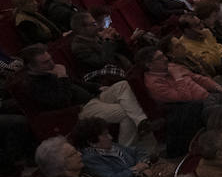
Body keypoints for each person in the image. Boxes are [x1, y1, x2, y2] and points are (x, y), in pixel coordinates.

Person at [9, 44, 146, 146]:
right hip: (79, 109)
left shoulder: (49, 71)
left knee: (122, 85)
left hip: (93, 98)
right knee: (126, 112)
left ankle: (142, 122)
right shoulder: (32, 85)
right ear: (32, 67)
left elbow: (76, 83)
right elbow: (62, 101)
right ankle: (125, 151)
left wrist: (98, 87)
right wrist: (62, 77)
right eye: (45, 62)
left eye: (50, 59)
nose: (51, 63)